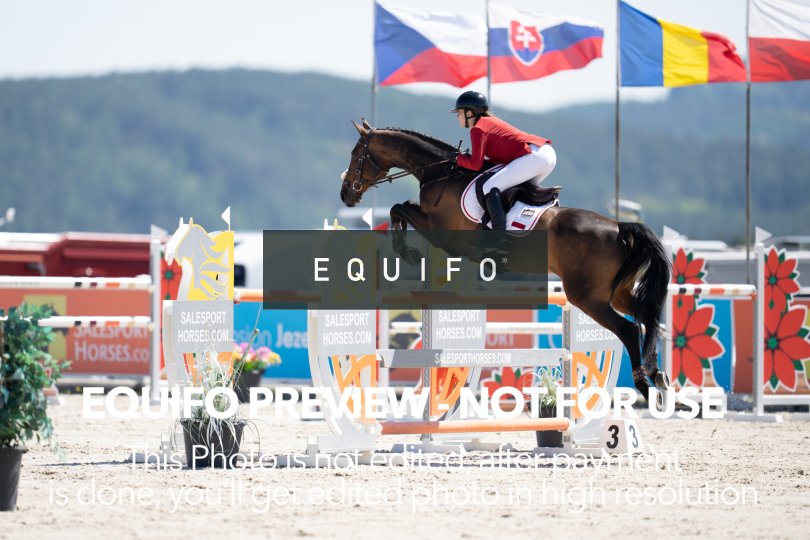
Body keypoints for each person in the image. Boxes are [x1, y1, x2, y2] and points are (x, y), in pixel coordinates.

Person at [452, 91, 557, 230]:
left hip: (535, 156)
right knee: (515, 192)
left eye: (459, 112)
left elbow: (476, 165)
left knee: (489, 187)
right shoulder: (487, 122)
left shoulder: (478, 128)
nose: (457, 116)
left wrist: (457, 158)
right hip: (544, 154)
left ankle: (498, 236)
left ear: (469, 113)